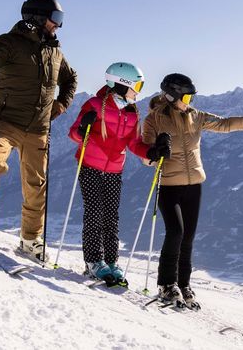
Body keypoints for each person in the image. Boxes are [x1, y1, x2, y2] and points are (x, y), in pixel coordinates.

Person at [141, 73, 243, 308]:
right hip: (169, 186)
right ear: (172, 95)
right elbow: (145, 154)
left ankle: (183, 284)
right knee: (175, 232)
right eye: (186, 96)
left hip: (194, 186)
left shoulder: (195, 116)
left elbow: (224, 124)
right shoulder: (154, 120)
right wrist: (154, 153)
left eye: (191, 97)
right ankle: (166, 284)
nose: (190, 101)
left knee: (188, 238)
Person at [0, 0, 77, 262]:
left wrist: (60, 105)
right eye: (55, 19)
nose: (59, 26)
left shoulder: (55, 51)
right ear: (36, 17)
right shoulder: (10, 42)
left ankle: (31, 240)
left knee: (36, 184)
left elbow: (71, 79)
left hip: (38, 128)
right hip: (5, 121)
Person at [69, 63, 171, 287]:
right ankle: (93, 261)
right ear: (122, 84)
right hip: (90, 165)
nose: (139, 91)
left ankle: (112, 262)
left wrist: (151, 151)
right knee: (95, 212)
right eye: (137, 85)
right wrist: (81, 129)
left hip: (115, 169)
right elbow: (74, 134)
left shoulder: (132, 111)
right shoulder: (95, 104)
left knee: (111, 216)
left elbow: (133, 143)